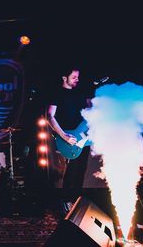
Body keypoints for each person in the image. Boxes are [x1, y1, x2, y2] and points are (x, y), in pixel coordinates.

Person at [46, 68, 91, 215]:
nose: (77, 79)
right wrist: (64, 135)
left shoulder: (80, 92)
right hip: (68, 137)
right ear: (64, 78)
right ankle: (66, 200)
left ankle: (76, 201)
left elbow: (90, 110)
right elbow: (50, 116)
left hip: (83, 137)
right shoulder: (57, 93)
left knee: (81, 170)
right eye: (74, 77)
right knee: (72, 170)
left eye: (78, 77)